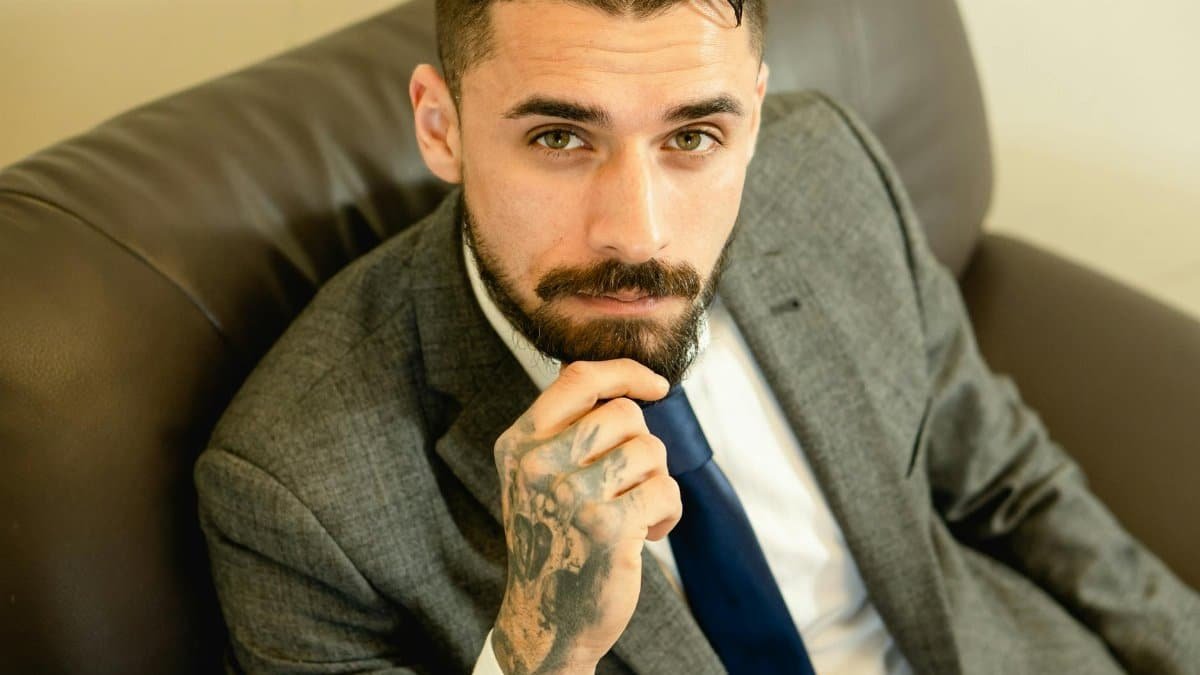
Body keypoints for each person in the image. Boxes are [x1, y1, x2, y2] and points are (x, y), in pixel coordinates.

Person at [193, 0, 1200, 672]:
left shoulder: (831, 171)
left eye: (692, 138)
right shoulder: (294, 492)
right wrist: (542, 644)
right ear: (440, 126)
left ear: (753, 118)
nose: (637, 234)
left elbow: (1010, 483)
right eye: (559, 137)